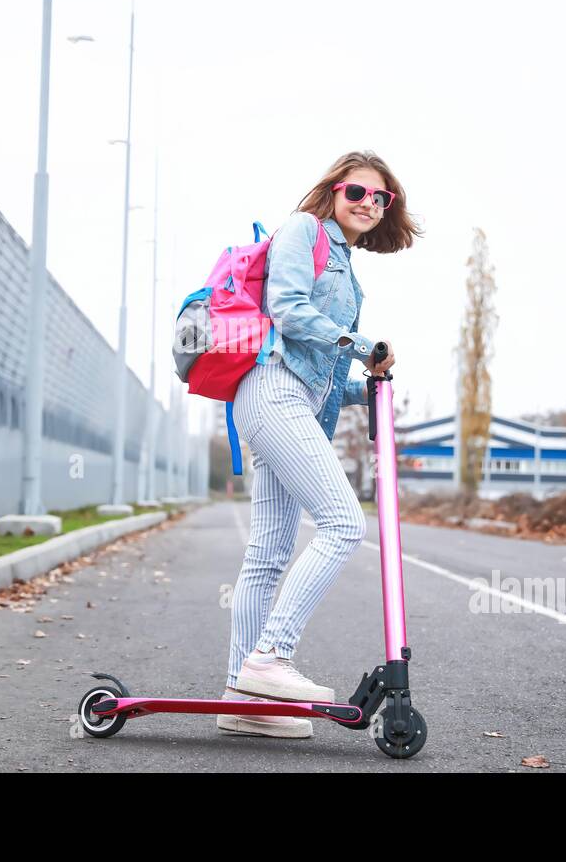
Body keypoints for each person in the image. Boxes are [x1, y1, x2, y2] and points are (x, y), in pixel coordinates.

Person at [217, 150, 421, 738]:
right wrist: (360, 342)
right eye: (358, 192)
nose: (368, 204)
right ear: (335, 190)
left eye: (380, 198)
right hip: (272, 392)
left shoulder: (349, 269)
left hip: (296, 400)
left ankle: (243, 696)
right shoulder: (303, 230)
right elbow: (287, 310)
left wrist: (367, 387)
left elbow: (323, 369)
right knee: (343, 523)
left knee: (267, 556)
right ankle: (268, 658)